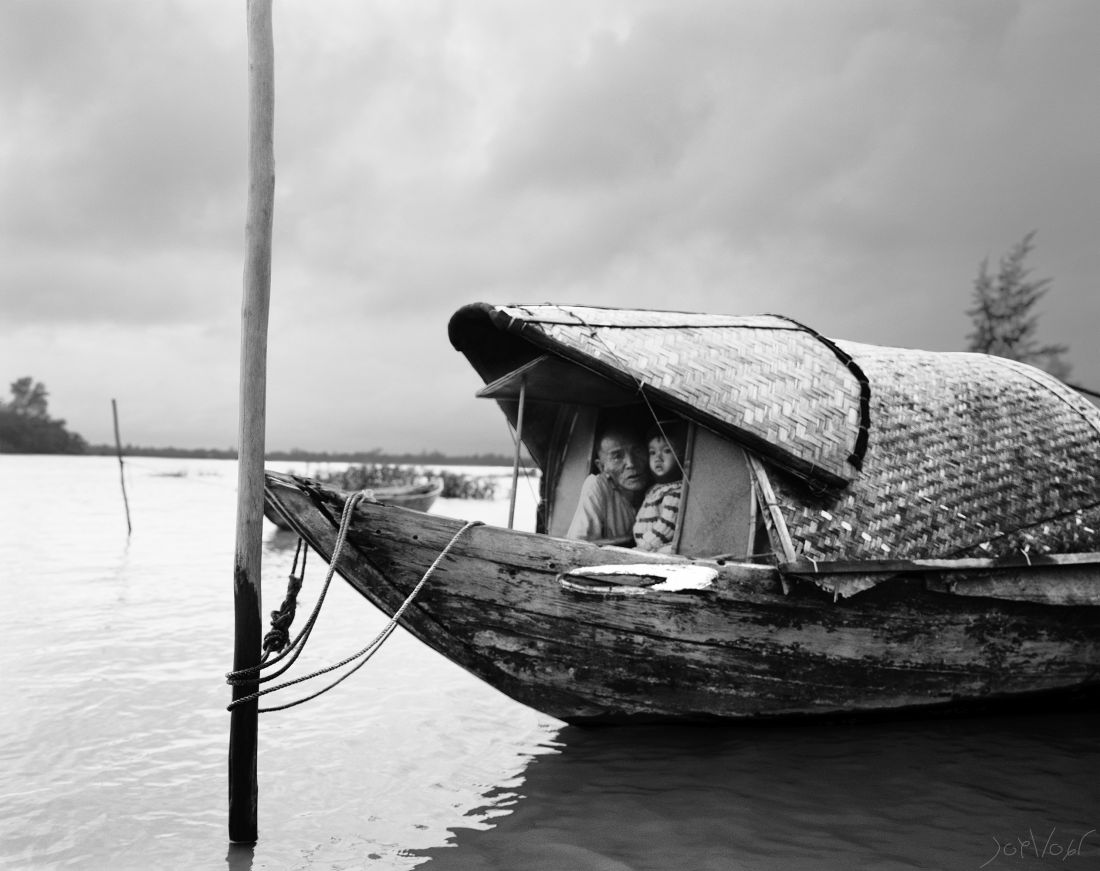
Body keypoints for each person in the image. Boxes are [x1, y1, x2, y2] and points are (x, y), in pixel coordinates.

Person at [566, 426, 650, 543]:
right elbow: (578, 546)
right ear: (601, 467)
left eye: (637, 451)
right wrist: (633, 540)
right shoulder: (597, 485)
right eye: (617, 457)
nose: (631, 463)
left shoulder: (660, 488)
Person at [632, 423, 686, 553]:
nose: (658, 458)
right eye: (652, 452)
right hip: (644, 547)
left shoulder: (675, 491)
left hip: (658, 546)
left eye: (667, 451)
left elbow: (667, 525)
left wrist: (644, 546)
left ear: (680, 456)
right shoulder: (654, 489)